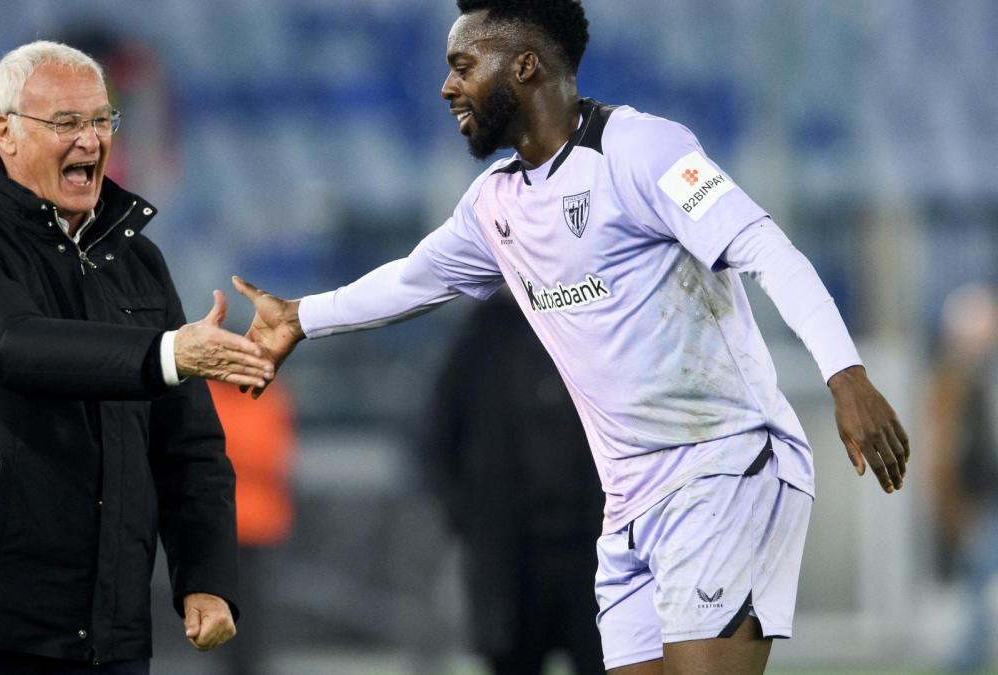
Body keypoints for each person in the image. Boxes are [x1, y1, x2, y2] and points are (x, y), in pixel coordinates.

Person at [229, 1, 910, 673]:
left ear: (523, 66)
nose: (448, 87)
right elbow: (412, 279)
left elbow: (762, 244)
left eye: (463, 66)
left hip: (723, 469)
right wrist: (299, 317)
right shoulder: (495, 203)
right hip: (627, 505)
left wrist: (844, 373)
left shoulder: (643, 149)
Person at [0, 40, 275, 674]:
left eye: (100, 120)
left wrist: (206, 576)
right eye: (66, 122)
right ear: (5, 133)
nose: (90, 140)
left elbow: (188, 444)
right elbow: (10, 345)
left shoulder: (137, 260)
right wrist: (167, 350)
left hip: (107, 629)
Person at [421, 290, 605, 675]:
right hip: (511, 561)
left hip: (596, 554)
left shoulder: (600, 324)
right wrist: (472, 520)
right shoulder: (480, 339)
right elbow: (437, 442)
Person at [927, 283, 998, 673]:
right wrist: (955, 512)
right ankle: (963, 661)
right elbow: (946, 457)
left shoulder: (978, 377)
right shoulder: (952, 382)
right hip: (978, 501)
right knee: (976, 589)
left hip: (983, 497)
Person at [206, 379, 297, 675]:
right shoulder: (205, 394)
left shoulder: (268, 397)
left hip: (254, 526)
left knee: (251, 613)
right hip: (216, 523)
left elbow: (272, 454)